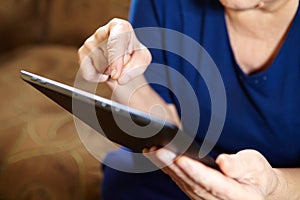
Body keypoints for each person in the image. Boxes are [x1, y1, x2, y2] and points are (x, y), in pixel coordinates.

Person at [78, 0, 300, 199]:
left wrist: (274, 187)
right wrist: (124, 78)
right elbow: (169, 130)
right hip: (191, 163)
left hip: (288, 184)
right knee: (125, 177)